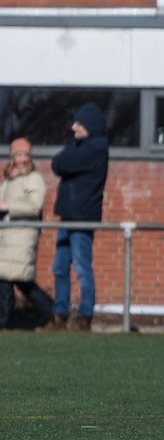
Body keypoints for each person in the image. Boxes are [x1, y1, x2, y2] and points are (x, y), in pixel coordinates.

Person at [47, 102, 109, 332]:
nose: (73, 127)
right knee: (60, 267)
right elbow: (57, 164)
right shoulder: (78, 146)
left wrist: (64, 160)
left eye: (78, 123)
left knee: (82, 267)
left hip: (82, 218)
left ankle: (85, 317)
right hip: (67, 216)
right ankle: (60, 316)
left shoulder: (96, 148)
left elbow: (62, 162)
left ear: (89, 125)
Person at [0, 139, 55, 329]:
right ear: (12, 157)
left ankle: (5, 322)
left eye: (26, 155)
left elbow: (34, 206)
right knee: (19, 281)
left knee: (8, 280)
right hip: (8, 237)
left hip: (21, 237)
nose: (23, 159)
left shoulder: (33, 178)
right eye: (19, 155)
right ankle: (51, 313)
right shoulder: (10, 179)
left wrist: (7, 207)